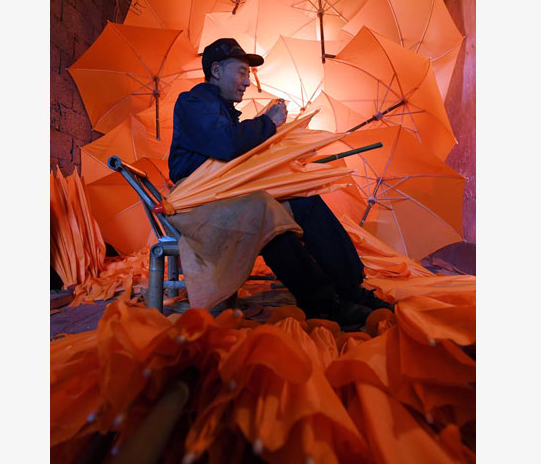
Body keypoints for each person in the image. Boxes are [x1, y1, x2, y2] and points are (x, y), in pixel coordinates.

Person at [168, 38, 391, 327]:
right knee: (264, 211)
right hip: (197, 208)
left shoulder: (221, 111)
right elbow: (226, 144)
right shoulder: (195, 102)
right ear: (216, 70)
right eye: (241, 72)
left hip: (224, 199)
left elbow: (237, 156)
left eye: (248, 74)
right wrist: (268, 123)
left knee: (301, 199)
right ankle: (322, 304)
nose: (247, 82)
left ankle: (351, 289)